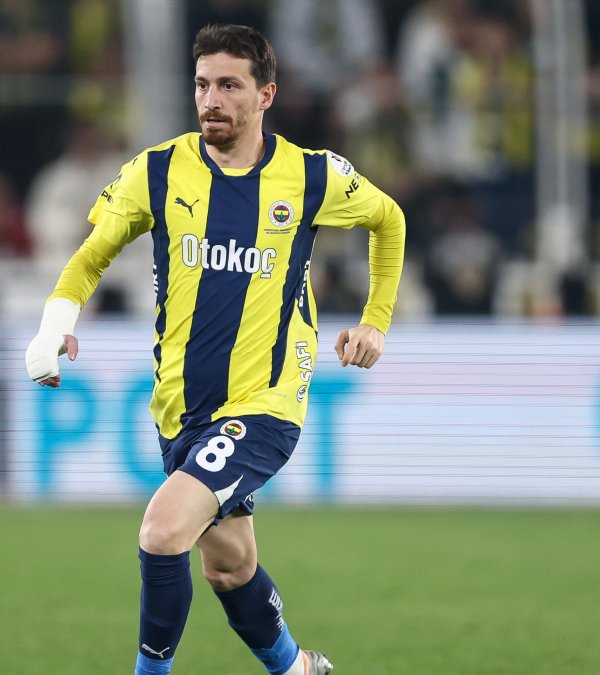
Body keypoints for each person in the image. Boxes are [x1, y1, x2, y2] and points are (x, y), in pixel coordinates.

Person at [25, 24, 405, 675]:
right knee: (230, 565)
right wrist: (52, 323)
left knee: (162, 529)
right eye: (203, 84)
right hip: (182, 408)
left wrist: (375, 320)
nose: (212, 99)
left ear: (266, 95)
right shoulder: (158, 170)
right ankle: (298, 668)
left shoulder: (311, 175)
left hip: (266, 402)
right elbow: (90, 258)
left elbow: (388, 218)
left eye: (229, 85)